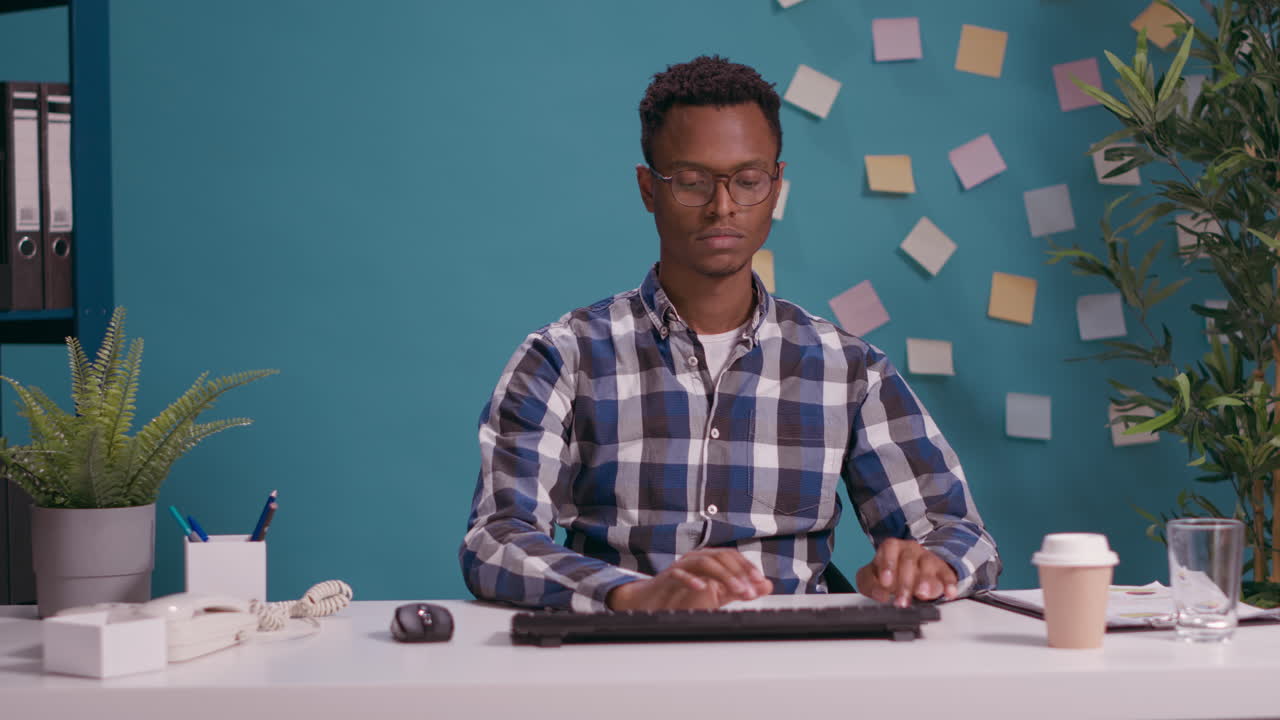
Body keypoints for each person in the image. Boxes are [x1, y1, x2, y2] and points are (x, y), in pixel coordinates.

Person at [460, 55, 1000, 612]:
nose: (722, 207)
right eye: (692, 182)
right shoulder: (562, 357)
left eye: (747, 181)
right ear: (648, 189)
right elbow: (495, 541)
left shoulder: (850, 369)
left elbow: (963, 537)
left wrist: (929, 565)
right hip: (621, 660)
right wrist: (634, 595)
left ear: (776, 186)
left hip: (798, 671)